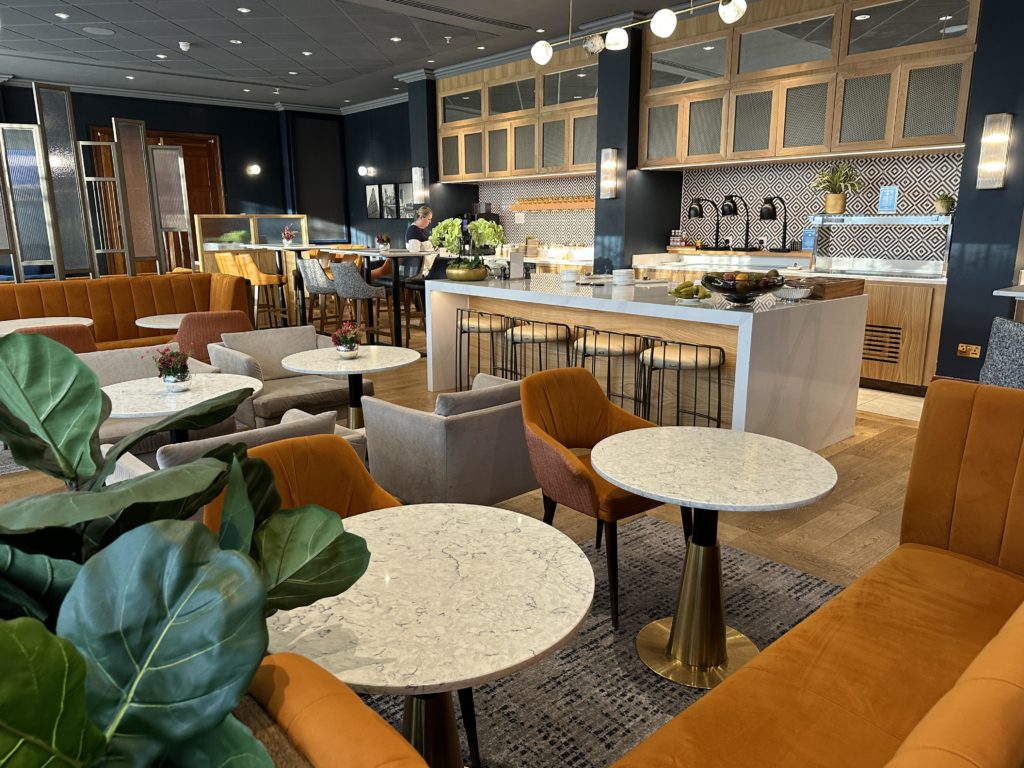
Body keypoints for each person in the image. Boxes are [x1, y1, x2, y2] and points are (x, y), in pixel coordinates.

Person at [373, 205, 435, 282]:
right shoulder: (413, 231)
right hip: (423, 271)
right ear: (421, 217)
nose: (430, 221)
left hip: (430, 267)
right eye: (429, 219)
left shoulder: (423, 230)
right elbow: (415, 254)